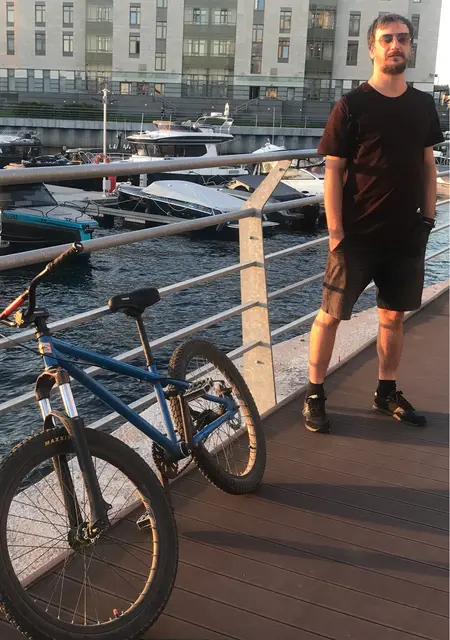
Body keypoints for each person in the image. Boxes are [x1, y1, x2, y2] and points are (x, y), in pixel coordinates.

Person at [302, 13, 444, 434]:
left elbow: (427, 164)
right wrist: (336, 232)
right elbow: (332, 170)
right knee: (330, 315)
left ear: (410, 46)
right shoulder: (352, 105)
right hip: (356, 235)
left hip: (405, 235)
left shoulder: (423, 105)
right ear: (372, 48)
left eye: (403, 38)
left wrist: (428, 218)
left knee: (392, 317)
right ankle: (315, 394)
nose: (395, 45)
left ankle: (386, 392)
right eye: (387, 39)